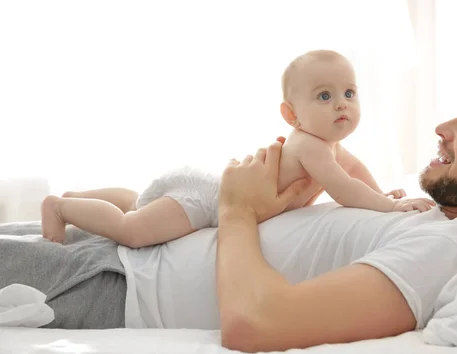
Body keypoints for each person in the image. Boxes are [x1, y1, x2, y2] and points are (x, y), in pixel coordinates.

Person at [0, 68, 457, 353]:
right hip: (119, 254)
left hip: (114, 285)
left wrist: (237, 209)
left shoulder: (449, 252)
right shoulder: (429, 219)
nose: (441, 128)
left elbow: (257, 325)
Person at [39, 49, 433, 247]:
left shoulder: (329, 148)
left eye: (348, 92)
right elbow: (343, 188)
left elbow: (355, 173)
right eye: (324, 96)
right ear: (291, 114)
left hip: (206, 186)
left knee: (139, 202)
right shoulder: (310, 146)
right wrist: (389, 207)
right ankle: (61, 206)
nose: (342, 104)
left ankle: (79, 195)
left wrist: (380, 192)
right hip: (208, 200)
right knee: (133, 230)